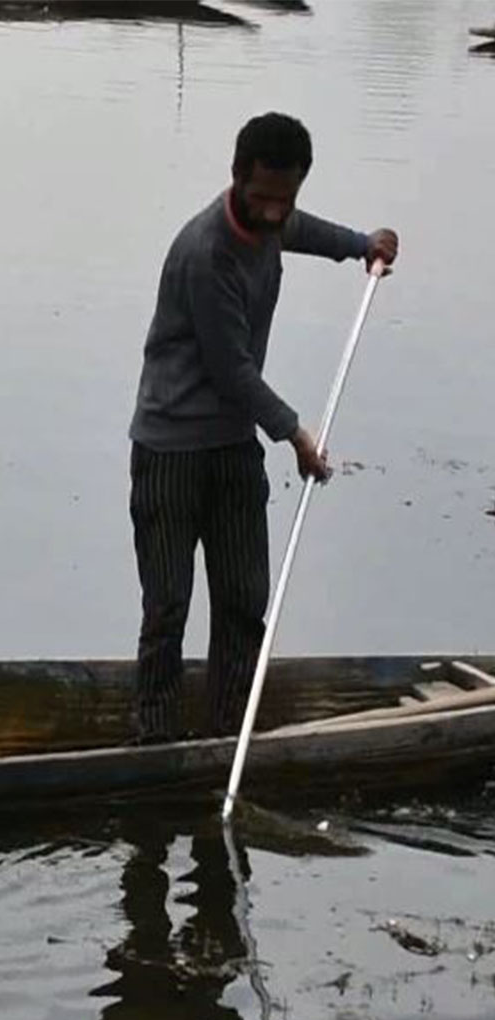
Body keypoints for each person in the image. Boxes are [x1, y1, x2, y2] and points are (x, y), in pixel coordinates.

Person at [127, 112, 399, 743]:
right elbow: (231, 371)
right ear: (235, 178)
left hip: (231, 447)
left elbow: (298, 230)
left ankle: (227, 737)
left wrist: (363, 244)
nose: (275, 212)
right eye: (263, 198)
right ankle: (156, 743)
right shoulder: (206, 253)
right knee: (167, 606)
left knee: (245, 602)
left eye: (286, 197)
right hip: (170, 450)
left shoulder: (273, 220)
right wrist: (297, 435)